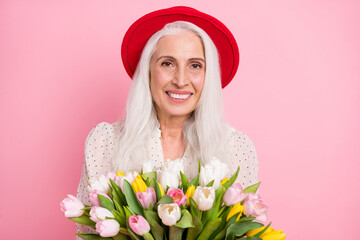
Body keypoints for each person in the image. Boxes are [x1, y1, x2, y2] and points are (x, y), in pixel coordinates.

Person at [76, 6, 259, 237]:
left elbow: (244, 233)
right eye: (167, 63)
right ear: (148, 72)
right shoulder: (104, 142)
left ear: (207, 76)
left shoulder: (236, 148)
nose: (181, 80)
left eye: (195, 65)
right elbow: (86, 232)